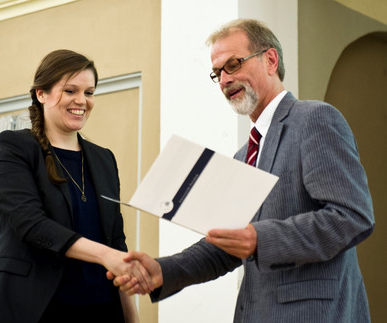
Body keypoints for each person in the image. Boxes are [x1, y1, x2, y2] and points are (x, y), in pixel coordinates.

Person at [109, 19, 375, 322]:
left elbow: (352, 217)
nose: (224, 79)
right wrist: (164, 270)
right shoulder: (242, 156)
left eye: (233, 65)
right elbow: (229, 245)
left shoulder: (315, 120)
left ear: (270, 60)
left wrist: (260, 239)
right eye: (217, 72)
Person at [0, 49, 152, 323]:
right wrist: (105, 255)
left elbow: (116, 240)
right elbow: (30, 224)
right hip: (33, 309)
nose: (82, 101)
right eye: (70, 90)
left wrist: (132, 317)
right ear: (41, 94)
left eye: (89, 93)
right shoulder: (13, 147)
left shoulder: (104, 158)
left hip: (100, 309)